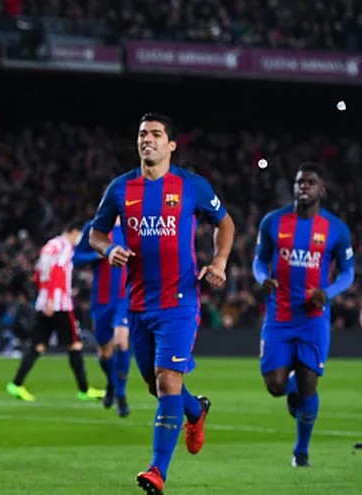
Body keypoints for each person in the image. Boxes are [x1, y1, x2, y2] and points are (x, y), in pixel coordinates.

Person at [88, 113, 235, 494]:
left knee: (168, 381)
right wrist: (109, 249)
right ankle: (195, 410)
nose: (147, 140)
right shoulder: (121, 188)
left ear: (171, 145)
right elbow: (96, 233)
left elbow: (226, 223)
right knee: (156, 387)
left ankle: (158, 470)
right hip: (138, 304)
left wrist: (219, 261)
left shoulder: (191, 186)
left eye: (156, 134)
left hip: (180, 301)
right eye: (142, 134)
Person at [253, 163, 354, 468]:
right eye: (299, 182)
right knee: (275, 387)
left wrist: (329, 292)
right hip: (280, 315)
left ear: (321, 189)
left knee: (310, 382)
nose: (304, 186)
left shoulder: (335, 228)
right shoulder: (273, 222)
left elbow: (348, 273)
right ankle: (293, 382)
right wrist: (262, 279)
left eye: (310, 182)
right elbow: (260, 261)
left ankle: (301, 452)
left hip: (314, 317)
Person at [6, 221, 106, 403]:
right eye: (78, 235)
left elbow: (38, 273)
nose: (78, 239)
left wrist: (44, 295)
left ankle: (16, 384)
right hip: (59, 304)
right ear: (73, 232)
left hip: (44, 301)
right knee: (75, 345)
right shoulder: (65, 247)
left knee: (38, 345)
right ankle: (84, 390)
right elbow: (58, 271)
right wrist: (53, 297)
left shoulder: (49, 246)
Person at [73, 218, 132, 417]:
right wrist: (98, 255)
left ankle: (121, 396)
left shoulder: (133, 225)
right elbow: (76, 258)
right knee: (105, 353)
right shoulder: (94, 227)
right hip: (101, 299)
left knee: (121, 341)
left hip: (125, 296)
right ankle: (112, 384)